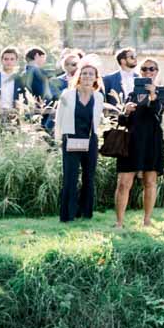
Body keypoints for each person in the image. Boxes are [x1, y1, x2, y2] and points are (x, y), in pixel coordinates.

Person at [113, 55, 164, 228]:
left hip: (152, 141)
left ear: (157, 72)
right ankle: (119, 222)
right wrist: (126, 112)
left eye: (152, 69)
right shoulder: (132, 93)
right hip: (132, 142)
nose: (148, 72)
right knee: (123, 183)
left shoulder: (162, 92)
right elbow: (122, 122)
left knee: (150, 182)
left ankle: (147, 221)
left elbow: (157, 113)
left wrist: (152, 94)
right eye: (144, 69)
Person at [57, 61, 106, 221]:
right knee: (70, 177)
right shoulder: (67, 94)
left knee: (88, 177)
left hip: (90, 140)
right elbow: (59, 119)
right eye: (84, 73)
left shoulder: (99, 97)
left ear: (96, 78)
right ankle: (68, 214)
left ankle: (85, 213)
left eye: (91, 74)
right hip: (70, 138)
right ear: (79, 76)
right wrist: (59, 138)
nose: (87, 76)